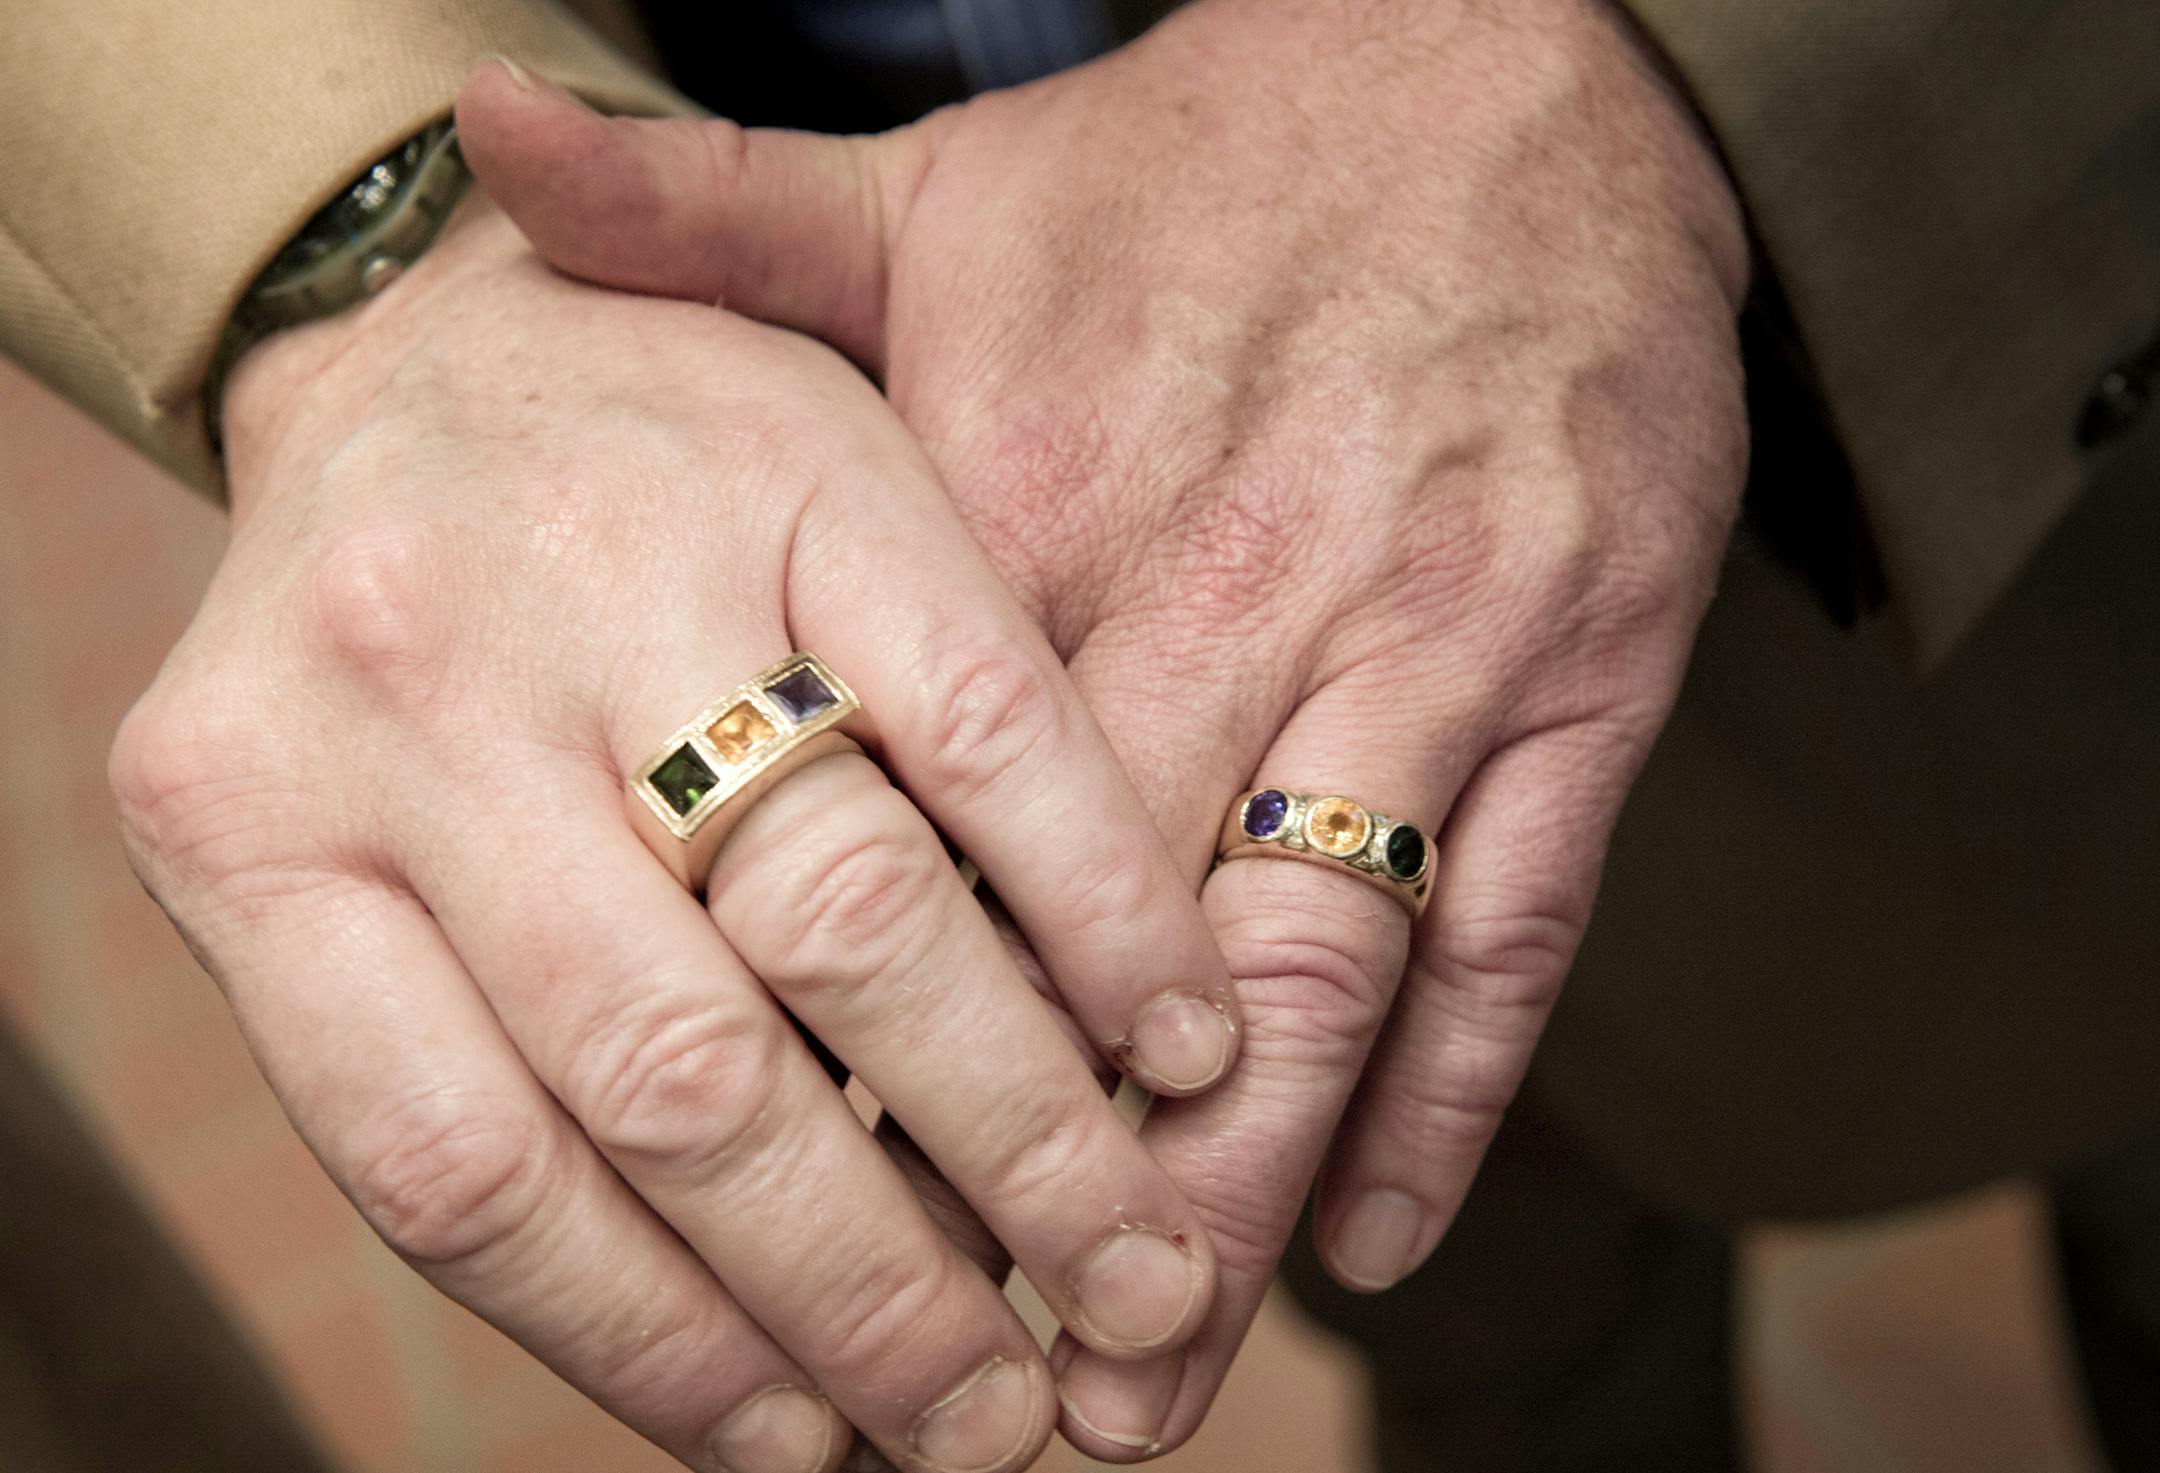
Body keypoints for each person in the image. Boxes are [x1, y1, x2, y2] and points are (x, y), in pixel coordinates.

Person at [1, 2, 2155, 1472]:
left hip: (1980, 497)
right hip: (848, 502)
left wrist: (1636, 52)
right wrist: (366, 251)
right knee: (1481, 1326)